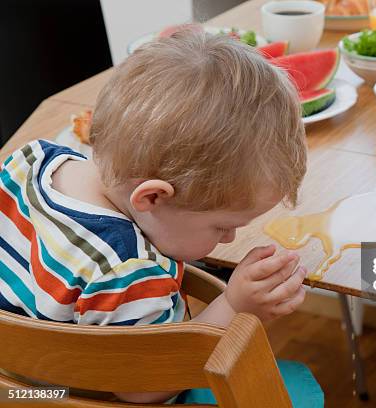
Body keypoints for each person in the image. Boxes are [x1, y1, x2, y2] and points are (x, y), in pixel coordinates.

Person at [0, 30, 324, 406]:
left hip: (21, 384)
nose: (229, 239)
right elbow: (144, 389)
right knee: (296, 389)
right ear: (152, 196)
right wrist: (236, 306)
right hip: (80, 396)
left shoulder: (29, 161)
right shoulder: (131, 271)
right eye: (222, 226)